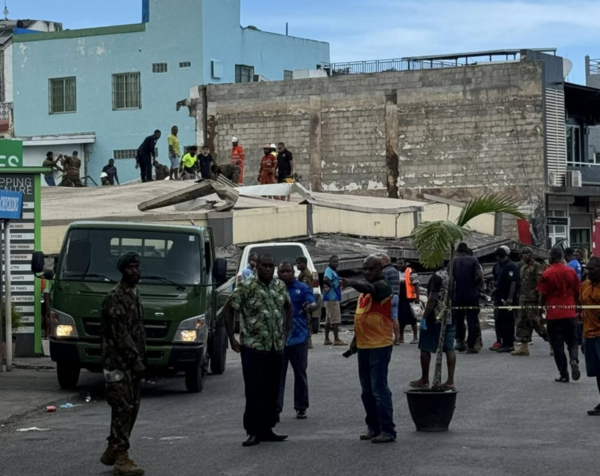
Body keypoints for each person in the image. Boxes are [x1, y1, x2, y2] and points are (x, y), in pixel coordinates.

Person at [222, 254, 293, 447]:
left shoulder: (280, 286)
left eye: (271, 266)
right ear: (257, 266)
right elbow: (228, 310)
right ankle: (252, 431)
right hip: (253, 347)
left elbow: (288, 307)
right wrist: (231, 338)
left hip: (275, 346)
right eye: (264, 266)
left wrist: (286, 331)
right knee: (254, 391)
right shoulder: (247, 286)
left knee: (272, 390)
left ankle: (267, 428)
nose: (268, 269)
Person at [99, 252, 146, 475]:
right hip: (118, 364)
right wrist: (135, 359)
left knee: (132, 408)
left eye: (137, 267)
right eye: (130, 268)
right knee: (122, 408)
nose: (135, 271)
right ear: (122, 271)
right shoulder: (115, 297)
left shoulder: (133, 294)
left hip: (131, 364)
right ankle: (121, 457)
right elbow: (121, 334)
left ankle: (113, 447)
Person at [342, 255, 396, 444]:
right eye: (364, 269)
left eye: (371, 269)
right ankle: (373, 427)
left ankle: (388, 430)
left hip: (380, 345)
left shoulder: (383, 286)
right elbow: (361, 318)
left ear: (380, 269)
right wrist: (355, 340)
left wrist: (352, 282)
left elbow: (371, 288)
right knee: (367, 391)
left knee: (379, 389)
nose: (367, 272)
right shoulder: (363, 294)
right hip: (364, 346)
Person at [277, 262, 318, 420]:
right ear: (278, 273)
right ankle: (276, 409)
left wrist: (311, 306)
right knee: (277, 376)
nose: (285, 274)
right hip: (279, 339)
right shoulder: (274, 289)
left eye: (288, 271)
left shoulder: (302, 288)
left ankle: (301, 406)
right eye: (282, 271)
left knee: (300, 373)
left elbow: (313, 302)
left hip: (298, 337)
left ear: (293, 272)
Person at [537, 247, 581, 383]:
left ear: (551, 257)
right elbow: (578, 291)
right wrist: (578, 308)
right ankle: (573, 359)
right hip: (569, 312)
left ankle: (564, 374)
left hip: (553, 314)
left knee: (557, 345)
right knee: (572, 341)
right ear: (561, 257)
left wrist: (539, 310)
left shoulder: (547, 273)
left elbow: (543, 294)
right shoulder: (570, 271)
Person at [410, 265, 456, 390]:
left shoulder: (437, 277)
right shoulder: (450, 275)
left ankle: (425, 379)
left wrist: (424, 317)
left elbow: (432, 298)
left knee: (425, 347)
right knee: (449, 348)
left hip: (435, 317)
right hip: (450, 316)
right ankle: (450, 380)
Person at [512, 247, 549, 356]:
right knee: (522, 323)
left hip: (533, 300)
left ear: (531, 255)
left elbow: (540, 285)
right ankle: (524, 347)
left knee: (537, 324)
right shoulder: (523, 267)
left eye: (527, 253)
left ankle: (552, 343)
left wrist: (540, 303)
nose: (525, 255)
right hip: (523, 299)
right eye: (523, 254)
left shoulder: (537, 267)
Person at [579, 256, 600, 415]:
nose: (589, 271)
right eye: (588, 268)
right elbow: (581, 309)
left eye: (592, 269)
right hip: (589, 334)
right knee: (597, 372)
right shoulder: (584, 285)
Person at [453, 242, 483, 354]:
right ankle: (471, 345)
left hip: (458, 294)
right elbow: (480, 275)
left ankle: (460, 342)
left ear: (457, 251)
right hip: (471, 294)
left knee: (459, 319)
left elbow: (449, 278)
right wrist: (474, 284)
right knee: (472, 320)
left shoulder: (454, 261)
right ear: (466, 250)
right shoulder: (473, 260)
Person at [493, 247, 519, 353]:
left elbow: (513, 282)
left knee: (508, 321)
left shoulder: (510, 266)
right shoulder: (499, 266)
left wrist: (510, 297)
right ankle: (504, 342)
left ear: (499, 256)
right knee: (501, 320)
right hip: (499, 296)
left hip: (507, 298)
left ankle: (509, 343)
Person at [323, 255, 345, 346]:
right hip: (332, 297)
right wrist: (332, 286)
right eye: (334, 262)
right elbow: (325, 279)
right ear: (329, 262)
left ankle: (327, 339)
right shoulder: (328, 270)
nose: (336, 263)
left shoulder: (333, 271)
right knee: (335, 319)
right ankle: (336, 339)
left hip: (331, 297)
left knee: (328, 319)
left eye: (337, 262)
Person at [397, 258, 420, 344]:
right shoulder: (398, 273)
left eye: (401, 263)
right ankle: (401, 337)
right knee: (401, 318)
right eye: (398, 264)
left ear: (405, 264)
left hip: (410, 298)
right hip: (401, 298)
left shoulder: (411, 271)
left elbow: (416, 284)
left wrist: (417, 297)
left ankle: (415, 337)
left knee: (412, 318)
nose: (399, 265)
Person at [380, 255, 401, 345]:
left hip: (388, 297)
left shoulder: (385, 271)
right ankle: (397, 338)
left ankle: (387, 338)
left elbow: (384, 285)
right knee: (395, 317)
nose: (381, 263)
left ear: (386, 261)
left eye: (381, 261)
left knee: (386, 318)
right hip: (396, 296)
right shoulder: (396, 271)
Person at [296, 256, 315, 349]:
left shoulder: (306, 274)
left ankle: (308, 341)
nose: (297, 265)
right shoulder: (302, 273)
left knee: (307, 320)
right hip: (305, 301)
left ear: (304, 264)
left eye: (299, 263)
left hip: (306, 302)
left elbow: (305, 288)